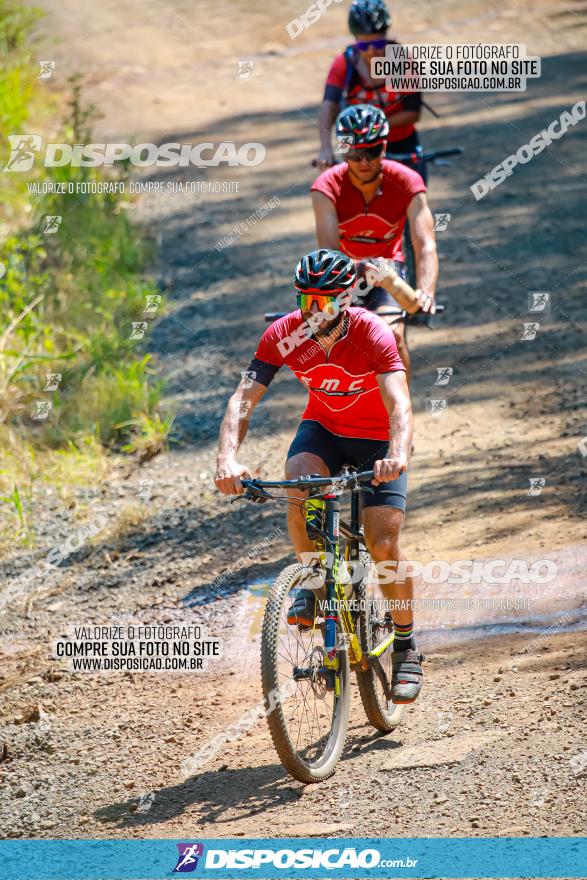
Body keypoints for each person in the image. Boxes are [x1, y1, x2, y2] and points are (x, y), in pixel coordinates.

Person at [214, 248, 424, 704]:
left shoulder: (373, 333)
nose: (312, 311)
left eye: (323, 301)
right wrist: (227, 459)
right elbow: (243, 399)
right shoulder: (283, 334)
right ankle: (314, 584)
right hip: (325, 429)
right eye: (305, 300)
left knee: (383, 543)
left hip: (377, 440)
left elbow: (399, 403)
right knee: (300, 486)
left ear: (346, 299)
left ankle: (406, 646)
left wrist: (396, 453)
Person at [311, 103, 438, 382]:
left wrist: (426, 290)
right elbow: (331, 253)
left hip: (388, 267)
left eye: (372, 151)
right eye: (356, 153)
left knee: (392, 334)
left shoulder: (407, 180)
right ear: (344, 151)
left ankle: (401, 408)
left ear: (384, 148)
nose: (365, 161)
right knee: (335, 347)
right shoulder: (326, 187)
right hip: (343, 270)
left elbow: (424, 242)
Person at [316, 0, 425, 179]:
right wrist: (325, 147)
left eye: (379, 44)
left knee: (413, 196)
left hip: (400, 142)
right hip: (356, 146)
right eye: (364, 46)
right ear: (355, 41)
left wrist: (372, 129)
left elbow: (413, 113)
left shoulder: (403, 62)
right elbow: (329, 106)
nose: (373, 51)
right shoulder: (344, 64)